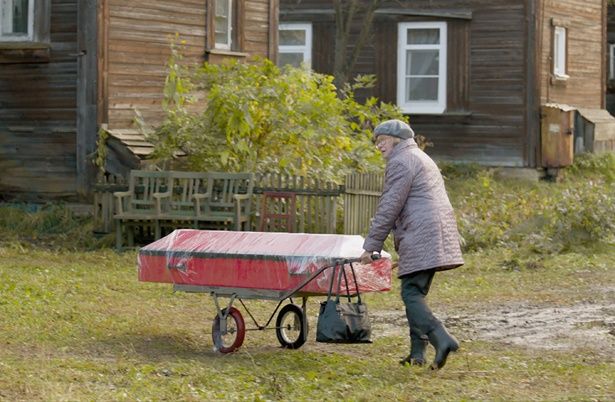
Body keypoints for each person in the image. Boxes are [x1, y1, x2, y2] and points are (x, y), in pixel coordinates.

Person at [360, 119, 464, 370]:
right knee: (415, 293)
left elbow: (389, 206)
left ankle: (442, 338)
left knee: (411, 294)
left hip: (421, 233)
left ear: (396, 139)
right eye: (376, 143)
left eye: (382, 141)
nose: (379, 147)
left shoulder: (401, 161)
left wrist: (371, 245)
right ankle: (417, 353)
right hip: (433, 231)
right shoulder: (419, 156)